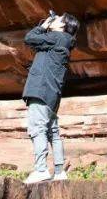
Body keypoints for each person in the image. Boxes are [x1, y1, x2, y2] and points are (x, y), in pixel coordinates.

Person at [21, 10, 80, 183]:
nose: (53, 20)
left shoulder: (56, 37)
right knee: (52, 132)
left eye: (58, 18)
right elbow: (36, 45)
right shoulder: (63, 41)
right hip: (52, 95)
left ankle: (41, 170)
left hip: (41, 90)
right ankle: (60, 171)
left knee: (37, 129)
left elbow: (29, 38)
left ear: (62, 26)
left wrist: (43, 26)